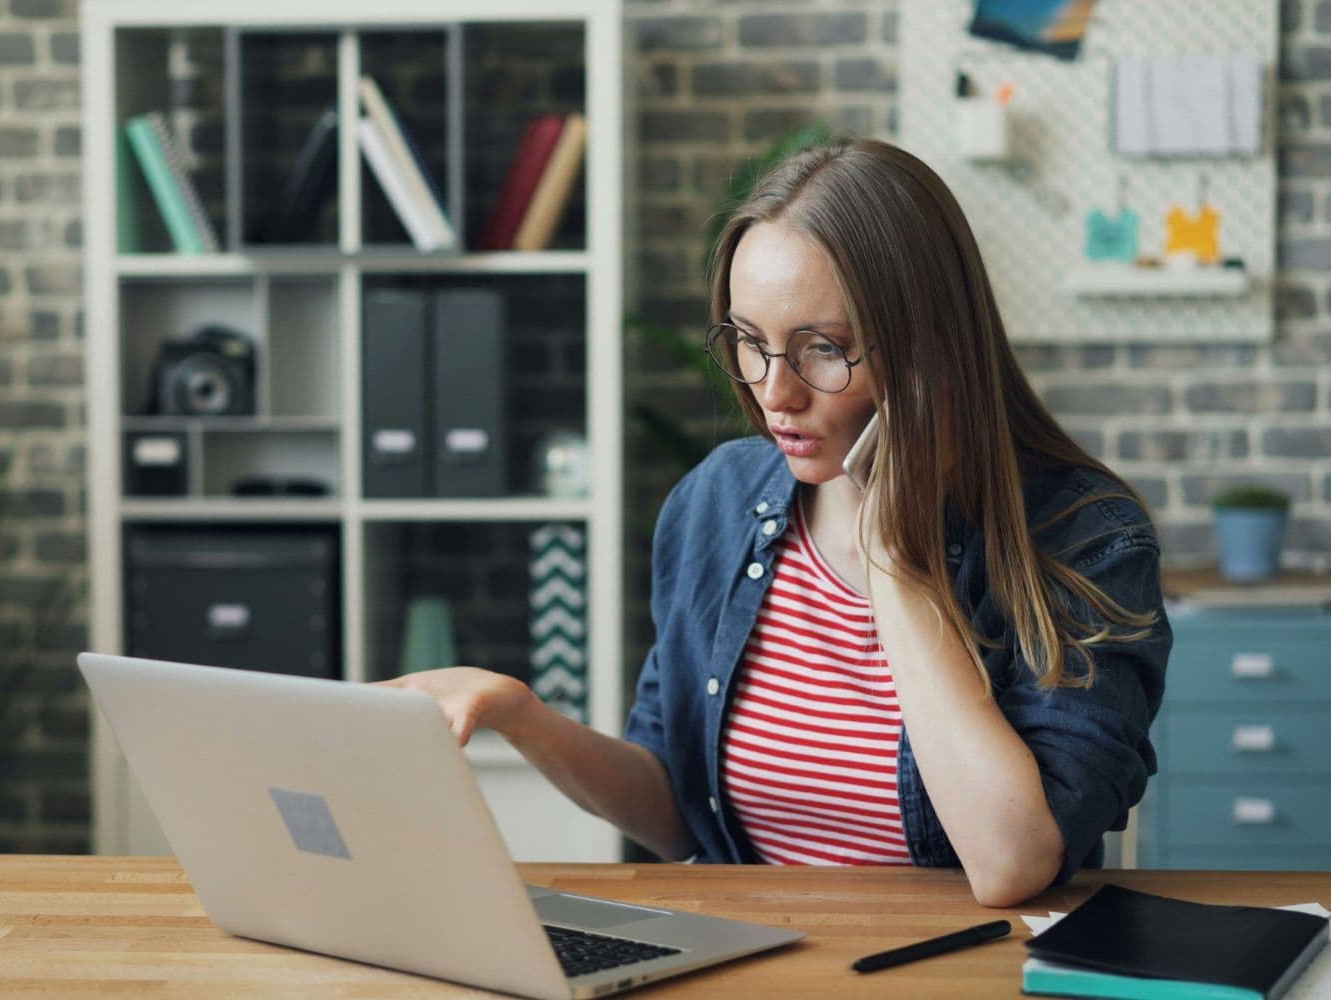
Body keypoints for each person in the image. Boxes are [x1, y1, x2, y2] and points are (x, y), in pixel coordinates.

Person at [382, 137, 1170, 908]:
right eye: (749, 343)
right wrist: (520, 714)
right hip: (761, 957)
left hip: (959, 967)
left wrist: (894, 559)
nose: (773, 394)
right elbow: (675, 811)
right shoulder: (717, 499)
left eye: (822, 349)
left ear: (930, 350)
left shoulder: (1082, 538)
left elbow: (1012, 864)